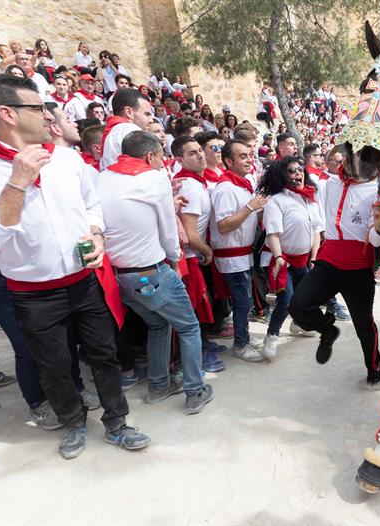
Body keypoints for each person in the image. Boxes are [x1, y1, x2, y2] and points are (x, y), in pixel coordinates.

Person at [0, 74, 150, 459]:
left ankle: (117, 422)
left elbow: (91, 205)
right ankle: (73, 423)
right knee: (54, 364)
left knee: (104, 353)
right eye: (38, 108)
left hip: (84, 279)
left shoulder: (65, 157)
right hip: (32, 291)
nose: (48, 116)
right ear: (7, 113)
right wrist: (18, 182)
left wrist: (97, 236)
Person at [97, 131, 213, 414]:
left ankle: (159, 386)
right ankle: (194, 391)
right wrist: (175, 261)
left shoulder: (103, 177)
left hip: (121, 276)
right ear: (150, 156)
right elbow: (168, 231)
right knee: (188, 326)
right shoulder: (154, 179)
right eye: (162, 157)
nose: (164, 163)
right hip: (152, 270)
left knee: (159, 325)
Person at [287, 142, 380, 386]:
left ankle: (373, 365)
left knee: (363, 324)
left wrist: (378, 224)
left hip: (358, 266)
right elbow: (299, 174)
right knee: (298, 307)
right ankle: (328, 330)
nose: (360, 163)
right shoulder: (328, 183)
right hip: (329, 260)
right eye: (356, 156)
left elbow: (376, 240)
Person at [257, 157, 323, 358]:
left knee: (306, 299)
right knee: (285, 301)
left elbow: (316, 232)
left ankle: (298, 324)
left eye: (299, 170)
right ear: (281, 176)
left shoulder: (310, 199)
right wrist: (278, 257)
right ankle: (271, 335)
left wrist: (313, 258)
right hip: (284, 261)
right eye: (291, 171)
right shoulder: (277, 201)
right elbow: (273, 234)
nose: (298, 174)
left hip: (304, 261)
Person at [172, 135, 227, 373]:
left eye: (199, 150)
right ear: (179, 159)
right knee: (196, 306)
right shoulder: (189, 186)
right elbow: (191, 234)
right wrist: (207, 251)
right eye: (192, 153)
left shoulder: (197, 182)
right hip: (191, 257)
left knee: (203, 304)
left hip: (196, 254)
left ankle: (203, 345)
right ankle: (198, 355)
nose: (200, 155)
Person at [210, 139, 266, 362]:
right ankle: (240, 344)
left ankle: (243, 335)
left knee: (244, 300)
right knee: (243, 301)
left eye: (249, 155)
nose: (248, 159)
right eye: (242, 156)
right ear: (228, 161)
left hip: (243, 255)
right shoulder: (225, 188)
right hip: (233, 256)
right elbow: (223, 226)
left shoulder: (241, 185)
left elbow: (246, 218)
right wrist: (251, 207)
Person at [100, 88, 153, 170]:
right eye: (147, 114)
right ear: (128, 112)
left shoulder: (114, 130)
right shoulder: (131, 130)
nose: (151, 120)